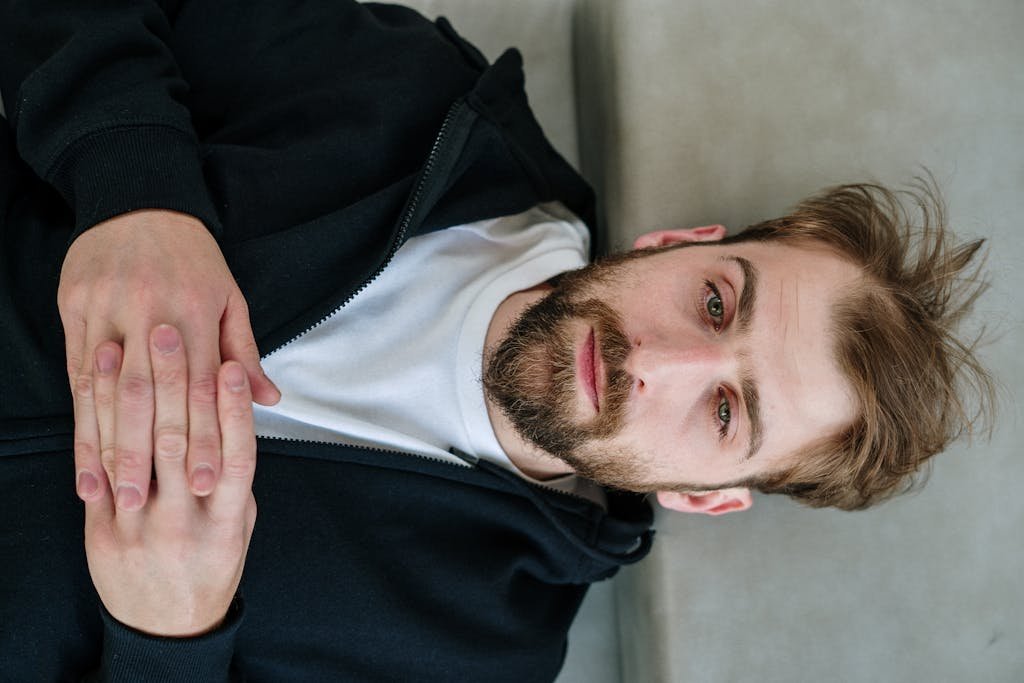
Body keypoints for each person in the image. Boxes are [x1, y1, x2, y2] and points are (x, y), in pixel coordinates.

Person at [0, 0, 993, 680]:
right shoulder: (414, 97)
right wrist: (131, 187)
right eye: (715, 303)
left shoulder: (482, 657)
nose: (657, 361)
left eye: (726, 410)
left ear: (704, 496)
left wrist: (167, 643)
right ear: (679, 243)